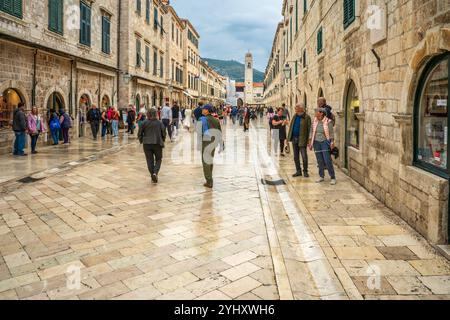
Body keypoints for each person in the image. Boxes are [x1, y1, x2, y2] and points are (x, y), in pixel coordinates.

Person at [308, 108, 336, 185]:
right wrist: (310, 141)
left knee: (327, 160)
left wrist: (332, 142)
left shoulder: (328, 122)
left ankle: (333, 177)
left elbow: (331, 133)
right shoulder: (314, 121)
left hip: (325, 142)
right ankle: (321, 176)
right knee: (319, 160)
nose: (315, 113)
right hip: (316, 142)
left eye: (316, 112)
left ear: (321, 113)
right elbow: (311, 131)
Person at [138, 108, 166, 183]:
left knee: (149, 160)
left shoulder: (144, 123)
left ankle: (152, 174)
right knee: (158, 159)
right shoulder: (159, 123)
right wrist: (163, 140)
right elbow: (164, 132)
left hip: (147, 144)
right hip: (157, 143)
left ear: (148, 114)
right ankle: (155, 173)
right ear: (156, 114)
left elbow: (139, 133)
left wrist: (141, 140)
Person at [200, 104, 222, 188]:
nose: (202, 110)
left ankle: (209, 181)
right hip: (214, 142)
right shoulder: (216, 120)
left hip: (206, 142)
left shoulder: (202, 119)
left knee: (205, 161)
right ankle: (209, 179)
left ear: (207, 111)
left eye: (204, 109)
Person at [288, 103, 311, 177]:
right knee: (295, 156)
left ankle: (305, 171)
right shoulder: (295, 116)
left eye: (297, 107)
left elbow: (309, 129)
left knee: (304, 156)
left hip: (302, 139)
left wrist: (309, 139)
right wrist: (288, 137)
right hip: (294, 138)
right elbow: (291, 126)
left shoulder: (307, 117)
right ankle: (298, 171)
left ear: (301, 108)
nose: (295, 108)